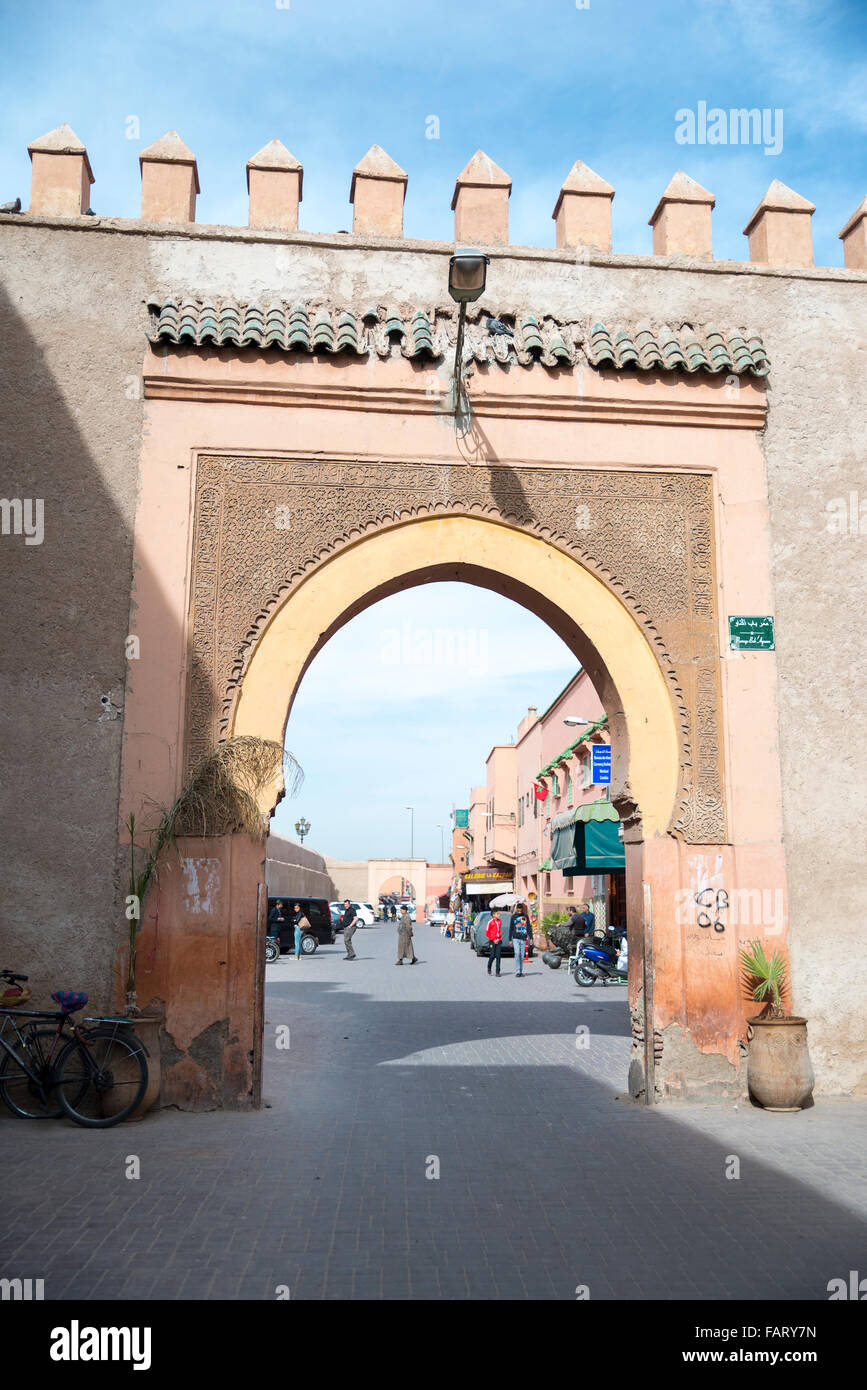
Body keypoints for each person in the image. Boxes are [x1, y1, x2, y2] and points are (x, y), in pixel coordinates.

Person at [509, 907, 531, 976]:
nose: (519, 911)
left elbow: (528, 927)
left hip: (523, 938)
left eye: (520, 910)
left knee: (521, 955)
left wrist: (531, 938)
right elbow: (511, 928)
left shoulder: (525, 916)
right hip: (515, 938)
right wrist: (510, 939)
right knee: (517, 953)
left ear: (522, 910)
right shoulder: (513, 917)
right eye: (518, 910)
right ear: (516, 910)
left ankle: (521, 971)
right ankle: (518, 971)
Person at [485, 911, 504, 976]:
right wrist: (493, 939)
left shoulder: (500, 921)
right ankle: (489, 967)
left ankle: (497, 972)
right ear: (493, 915)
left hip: (499, 940)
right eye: (497, 914)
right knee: (492, 956)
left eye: (499, 913)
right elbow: (487, 933)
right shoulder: (490, 922)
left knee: (498, 956)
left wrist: (498, 939)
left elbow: (498, 931)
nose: (499, 915)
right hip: (492, 941)